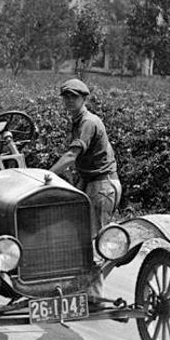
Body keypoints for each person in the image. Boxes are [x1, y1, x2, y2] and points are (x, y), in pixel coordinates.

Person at [50, 78, 122, 308]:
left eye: (74, 97)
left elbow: (71, 156)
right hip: (91, 182)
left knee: (93, 240)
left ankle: (95, 297)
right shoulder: (78, 121)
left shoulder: (88, 122)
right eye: (66, 97)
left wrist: (47, 175)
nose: (69, 101)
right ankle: (80, 286)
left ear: (84, 99)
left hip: (102, 185)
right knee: (76, 233)